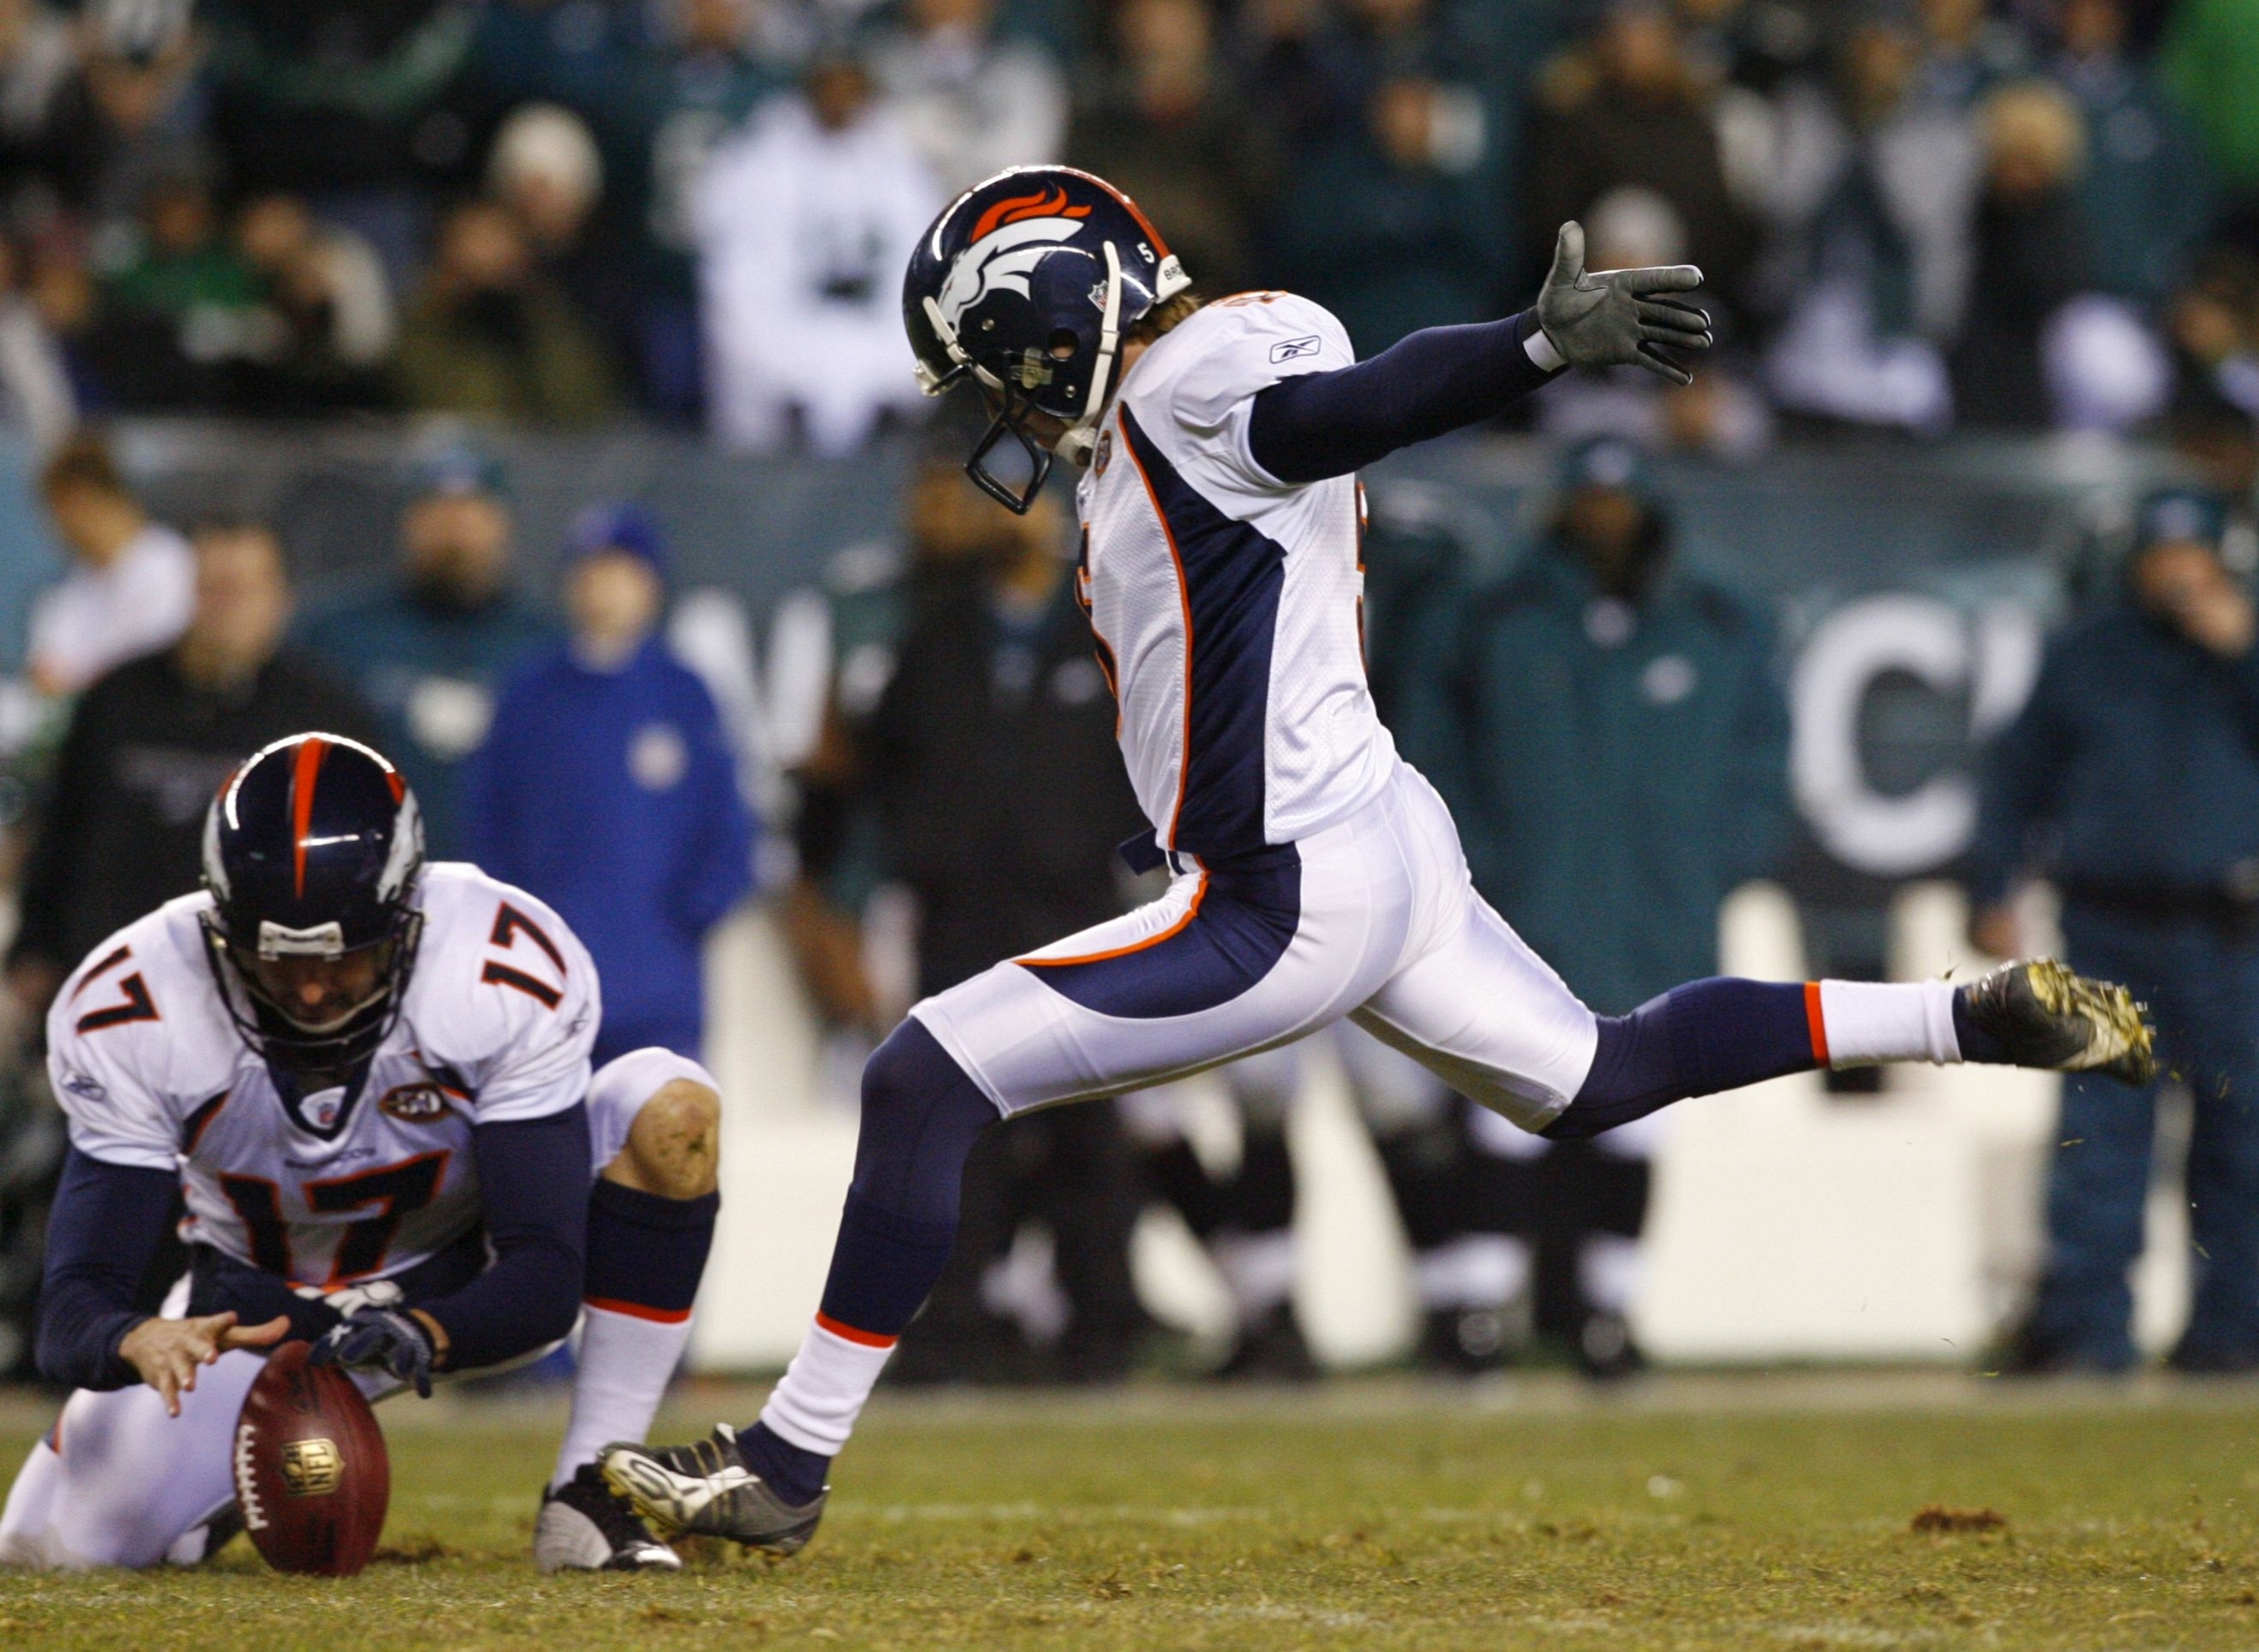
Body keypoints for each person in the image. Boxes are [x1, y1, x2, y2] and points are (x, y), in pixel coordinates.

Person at [602, 165, 2154, 1555]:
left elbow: (1338, 416)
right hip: (1378, 833)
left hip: (1283, 888)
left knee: (923, 1073)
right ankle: (1971, 1015)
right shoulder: (1232, 348)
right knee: (1599, 1074)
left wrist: (1531, 347)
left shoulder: (1197, 381)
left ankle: (787, 1462)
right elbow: (1311, 418)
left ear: (1068, 314)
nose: (993, 406)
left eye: (996, 364)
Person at [0, 734, 723, 1572]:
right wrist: (134, 1338)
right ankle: (222, 1481)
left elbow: (545, 1277)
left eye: (344, 955)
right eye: (278, 958)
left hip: (463, 1268)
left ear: (406, 916)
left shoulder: (495, 963)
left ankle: (594, 1490)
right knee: (48, 1550)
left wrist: (421, 1327)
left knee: (668, 1107)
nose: (311, 990)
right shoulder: (137, 1002)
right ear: (222, 924)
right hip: (259, 1315)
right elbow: (71, 1310)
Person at [1399, 436, 1790, 1375]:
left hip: (1657, 911)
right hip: (1521, 907)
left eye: (1622, 503)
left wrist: (1717, 864)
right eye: (1590, 502)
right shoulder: (1492, 613)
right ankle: (1478, 1313)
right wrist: (1470, 864)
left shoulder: (1718, 620)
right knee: (1503, 1110)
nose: (1607, 521)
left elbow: (1762, 761)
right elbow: (1427, 745)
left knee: (1641, 1112)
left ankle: (1607, 1318)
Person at [1972, 487, 2259, 1375]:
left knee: (2243, 1145)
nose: (2177, 573)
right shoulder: (2087, 653)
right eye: (2161, 555)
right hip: (2108, 925)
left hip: (2233, 933)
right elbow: (2015, 776)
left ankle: (2232, 1337)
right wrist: (1991, 885)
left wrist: (2244, 656)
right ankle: (2090, 1336)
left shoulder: (2247, 648)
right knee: (2099, 1144)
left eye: (2192, 554)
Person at [7, 520, 379, 1022]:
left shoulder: (326, 717)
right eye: (213, 589)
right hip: (113, 980)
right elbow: (62, 830)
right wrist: (32, 950)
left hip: (265, 999)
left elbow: (368, 859)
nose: (227, 608)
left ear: (281, 599)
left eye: (244, 590)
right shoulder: (118, 698)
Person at [465, 504, 755, 1066]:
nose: (603, 587)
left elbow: (729, 826)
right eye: (589, 570)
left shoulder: (685, 693)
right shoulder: (528, 694)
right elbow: (488, 820)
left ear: (651, 583)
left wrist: (682, 919)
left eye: (620, 570)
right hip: (542, 991)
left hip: (658, 991)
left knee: (660, 1143)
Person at [294, 441, 558, 860]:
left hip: (509, 888)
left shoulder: (549, 643)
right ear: (407, 522)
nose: (455, 532)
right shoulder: (340, 634)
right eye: (437, 512)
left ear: (503, 523)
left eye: (472, 513)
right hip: (366, 884)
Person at [692, 52, 939, 455]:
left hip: (876, 325)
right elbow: (737, 273)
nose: (838, 100)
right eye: (828, 88)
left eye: (849, 89)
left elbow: (925, 262)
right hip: (788, 324)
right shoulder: (757, 161)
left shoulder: (902, 161)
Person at [26, 431, 192, 697]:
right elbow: (44, 673)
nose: (58, 528)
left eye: (60, 511)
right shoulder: (76, 584)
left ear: (86, 500)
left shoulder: (169, 564)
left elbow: (154, 665)